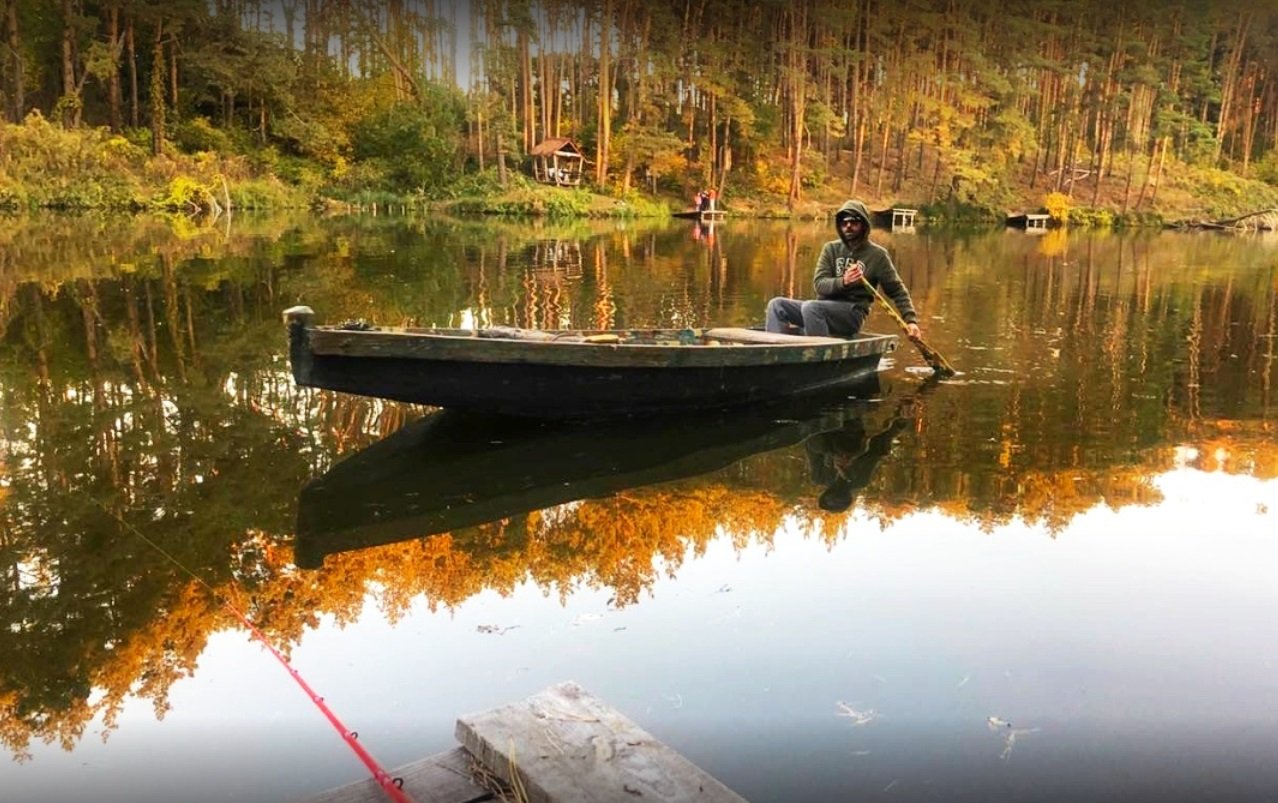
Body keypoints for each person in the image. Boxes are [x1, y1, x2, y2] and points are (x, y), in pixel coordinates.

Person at [766, 200, 921, 339]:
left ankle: (820, 354)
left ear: (864, 225)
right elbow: (820, 285)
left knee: (811, 308)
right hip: (820, 309)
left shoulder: (877, 255)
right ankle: (776, 350)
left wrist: (911, 321)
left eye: (853, 222)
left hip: (852, 313)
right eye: (844, 222)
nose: (848, 226)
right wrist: (843, 282)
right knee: (777, 305)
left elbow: (897, 291)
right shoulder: (830, 249)